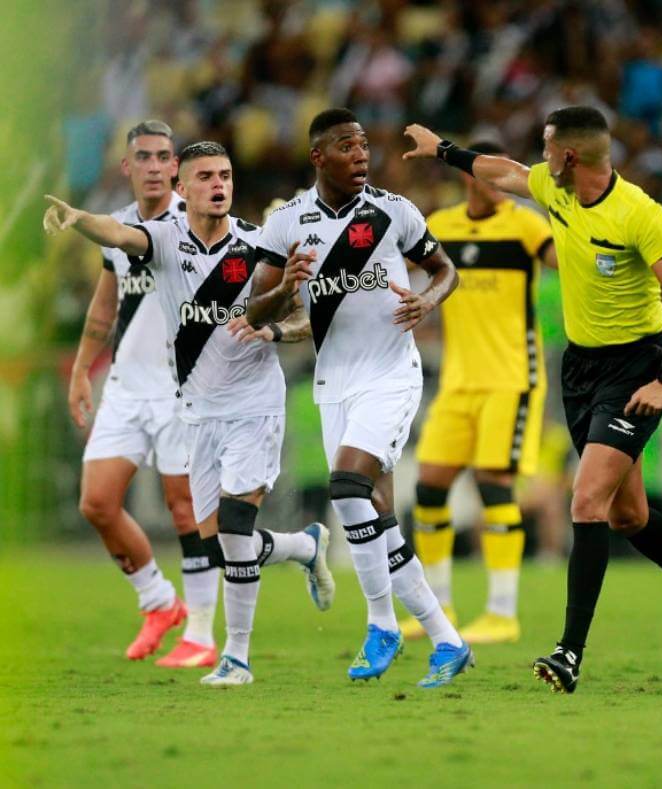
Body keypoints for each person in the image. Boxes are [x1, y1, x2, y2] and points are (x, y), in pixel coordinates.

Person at [404, 106, 662, 694]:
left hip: (636, 367)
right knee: (627, 515)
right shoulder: (554, 186)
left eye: (547, 145)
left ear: (570, 154)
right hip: (581, 368)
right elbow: (502, 173)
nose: (540, 155)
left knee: (586, 501)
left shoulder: (639, 214)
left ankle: (569, 652)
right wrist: (443, 148)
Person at [44, 141, 334, 687]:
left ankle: (237, 657)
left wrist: (274, 324)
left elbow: (300, 320)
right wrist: (78, 218)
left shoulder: (257, 245)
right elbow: (118, 234)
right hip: (198, 408)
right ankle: (302, 545)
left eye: (225, 175)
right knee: (220, 544)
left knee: (235, 525)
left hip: (254, 404)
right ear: (184, 189)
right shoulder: (164, 240)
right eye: (206, 176)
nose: (219, 184)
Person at [248, 108, 472, 689]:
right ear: (318, 156)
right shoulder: (286, 223)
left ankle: (382, 624)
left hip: (392, 373)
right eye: (346, 146)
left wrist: (428, 300)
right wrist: (284, 290)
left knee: (347, 488)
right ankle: (447, 640)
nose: (361, 154)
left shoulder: (394, 211)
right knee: (379, 520)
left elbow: (446, 271)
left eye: (364, 145)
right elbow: (253, 311)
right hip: (335, 384)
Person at [66, 120, 218, 666]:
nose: (154, 166)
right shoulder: (120, 228)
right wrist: (83, 369)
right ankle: (158, 601)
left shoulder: (197, 221)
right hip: (128, 387)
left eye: (163, 157)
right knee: (97, 503)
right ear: (126, 167)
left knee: (186, 510)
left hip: (181, 388)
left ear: (176, 166)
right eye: (143, 157)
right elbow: (107, 304)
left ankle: (201, 633)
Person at [405, 140, 556, 645]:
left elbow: (566, 261)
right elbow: (398, 267)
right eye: (487, 177)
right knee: (429, 487)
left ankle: (502, 612)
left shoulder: (526, 225)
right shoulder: (441, 226)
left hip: (512, 378)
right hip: (458, 381)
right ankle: (438, 608)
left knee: (495, 484)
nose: (496, 186)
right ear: (468, 178)